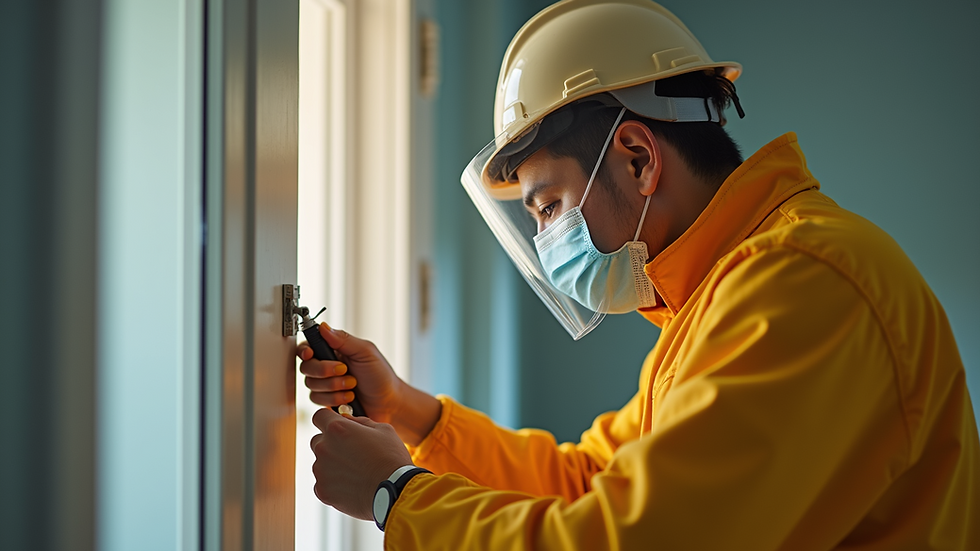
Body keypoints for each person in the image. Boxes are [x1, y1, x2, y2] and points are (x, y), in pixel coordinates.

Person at [300, 0, 979, 548]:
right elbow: (587, 481)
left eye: (550, 207)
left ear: (637, 159)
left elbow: (630, 538)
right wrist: (406, 409)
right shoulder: (716, 295)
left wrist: (396, 493)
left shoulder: (802, 287)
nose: (545, 242)